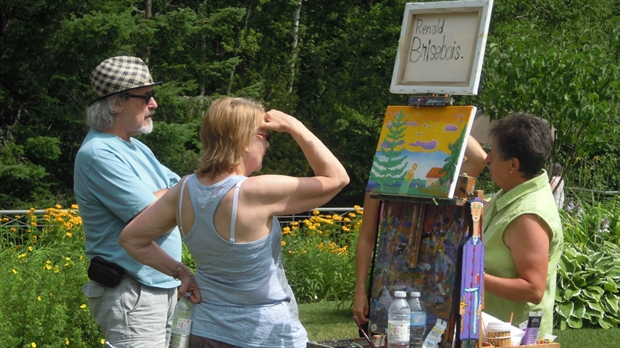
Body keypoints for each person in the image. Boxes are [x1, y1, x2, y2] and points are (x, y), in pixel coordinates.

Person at [119, 97, 350, 348]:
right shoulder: (255, 191)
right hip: (264, 334)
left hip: (204, 331)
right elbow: (336, 178)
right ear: (244, 140)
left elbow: (132, 239)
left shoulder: (184, 190)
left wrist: (181, 272)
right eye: (266, 137)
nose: (268, 145)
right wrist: (295, 126)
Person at [74, 56, 183, 347]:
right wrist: (164, 197)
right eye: (146, 96)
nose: (154, 103)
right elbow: (152, 216)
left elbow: (181, 189)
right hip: (133, 291)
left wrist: (164, 196)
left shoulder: (135, 148)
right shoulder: (98, 153)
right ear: (117, 103)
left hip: (156, 286)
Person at [353, 135, 488, 328]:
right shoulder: (384, 180)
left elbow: (479, 159)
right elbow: (366, 238)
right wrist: (359, 290)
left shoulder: (446, 181)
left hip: (435, 292)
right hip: (389, 291)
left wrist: (450, 117)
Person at [478, 113, 563, 339]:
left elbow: (533, 289)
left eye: (493, 154)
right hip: (494, 331)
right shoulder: (512, 191)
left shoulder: (528, 216)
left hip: (516, 337)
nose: (487, 158)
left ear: (513, 165)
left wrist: (472, 276)